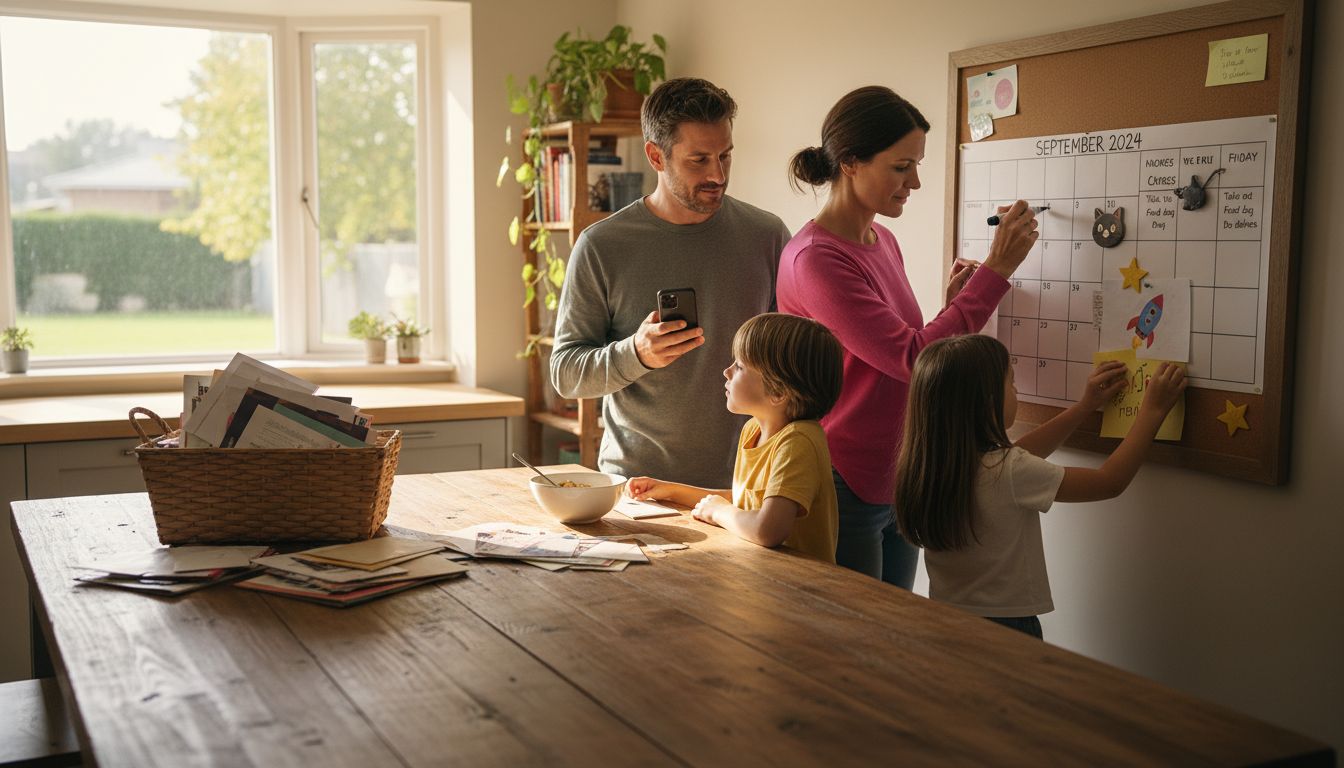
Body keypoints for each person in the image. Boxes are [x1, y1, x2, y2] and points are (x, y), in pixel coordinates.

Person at [776, 85, 1038, 588]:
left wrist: (955, 303)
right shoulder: (816, 259)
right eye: (901, 167)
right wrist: (997, 270)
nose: (915, 182)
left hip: (898, 470)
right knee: (860, 645)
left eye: (917, 165)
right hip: (845, 477)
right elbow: (914, 358)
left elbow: (902, 346)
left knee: (894, 640)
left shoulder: (882, 239)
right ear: (850, 162)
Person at [551, 77, 791, 489]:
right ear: (655, 156)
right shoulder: (602, 245)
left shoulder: (766, 236)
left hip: (744, 490)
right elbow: (566, 373)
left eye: (726, 156)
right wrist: (637, 353)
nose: (718, 174)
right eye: (699, 160)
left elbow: (795, 357)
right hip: (638, 492)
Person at [893, 335, 1186, 639]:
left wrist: (1085, 406)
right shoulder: (1008, 471)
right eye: (1011, 382)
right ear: (987, 402)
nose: (1017, 390)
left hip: (944, 618)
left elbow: (1018, 456)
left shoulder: (930, 465)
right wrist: (1152, 412)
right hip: (1007, 627)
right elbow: (1109, 482)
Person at [625, 313, 843, 562]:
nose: (727, 372)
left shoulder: (799, 441)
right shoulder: (753, 430)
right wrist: (669, 490)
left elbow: (767, 529)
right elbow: (745, 504)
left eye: (739, 366)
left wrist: (719, 512)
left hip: (799, 589)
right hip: (760, 574)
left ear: (779, 392)